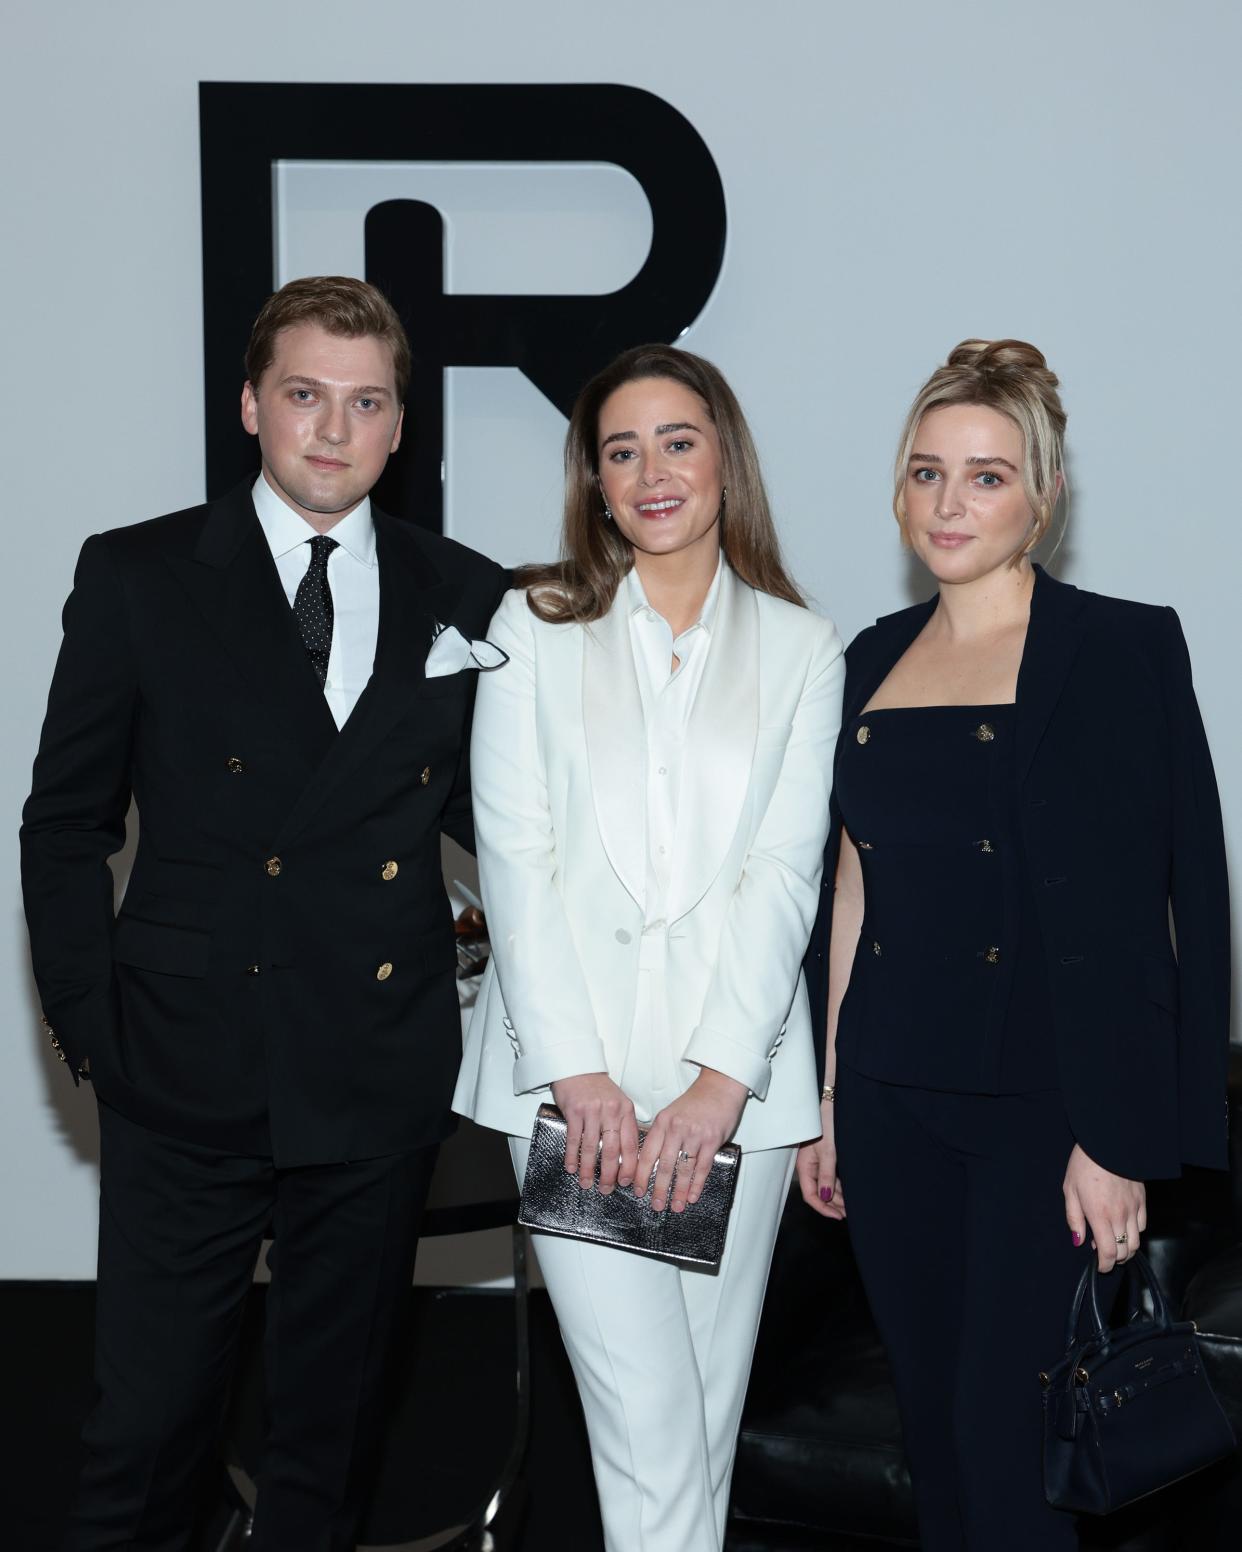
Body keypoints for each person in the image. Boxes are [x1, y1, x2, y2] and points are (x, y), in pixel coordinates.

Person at [20, 275, 507, 1551]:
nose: (333, 431)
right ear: (250, 406)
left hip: (374, 1072)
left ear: (403, 427)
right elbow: (64, 822)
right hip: (181, 1066)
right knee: (146, 1436)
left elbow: (513, 836)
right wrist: (92, 1033)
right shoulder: (138, 574)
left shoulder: (466, 593)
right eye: (304, 396)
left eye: (365, 403)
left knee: (326, 1446)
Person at [797, 339, 1231, 1551]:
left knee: (1014, 1456)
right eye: (927, 473)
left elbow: (1169, 899)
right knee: (933, 1441)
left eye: (987, 477)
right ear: (897, 491)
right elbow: (853, 890)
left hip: (1044, 1116)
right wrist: (828, 1098)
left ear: (1043, 497)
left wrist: (1122, 1136)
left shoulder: (1124, 648)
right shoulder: (867, 661)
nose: (950, 502)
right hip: (890, 1106)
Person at [453, 343, 844, 1551]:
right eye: (621, 450)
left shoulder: (802, 646)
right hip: (579, 1096)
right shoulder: (531, 626)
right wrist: (578, 1079)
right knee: (651, 1429)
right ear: (596, 483)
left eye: (678, 439)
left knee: (702, 1434)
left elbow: (786, 874)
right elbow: (515, 865)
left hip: (737, 1100)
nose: (651, 469)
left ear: (725, 457)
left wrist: (724, 1083)